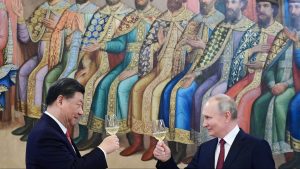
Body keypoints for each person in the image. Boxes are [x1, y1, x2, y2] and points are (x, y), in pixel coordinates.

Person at [122, 0, 194, 161]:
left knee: (153, 93)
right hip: (159, 68)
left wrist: (183, 50)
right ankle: (139, 141)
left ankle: (156, 142)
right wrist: (159, 45)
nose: (171, 1)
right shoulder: (162, 18)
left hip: (177, 70)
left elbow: (192, 49)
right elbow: (148, 45)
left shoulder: (190, 19)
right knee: (137, 89)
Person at [84, 0, 161, 151]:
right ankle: (97, 134)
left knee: (120, 88)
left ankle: (131, 135)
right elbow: (120, 44)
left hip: (148, 67)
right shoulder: (130, 17)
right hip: (126, 64)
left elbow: (161, 47)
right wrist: (102, 45)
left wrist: (137, 70)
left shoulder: (158, 17)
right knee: (103, 86)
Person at [154, 94, 275, 169]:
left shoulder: (257, 147)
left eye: (208, 117)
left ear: (227, 116)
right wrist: (166, 160)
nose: (203, 124)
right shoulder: (205, 149)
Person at [26, 78, 120, 169]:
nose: (81, 112)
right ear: (60, 101)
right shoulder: (46, 134)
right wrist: (103, 149)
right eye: (79, 105)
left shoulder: (52, 127)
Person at [11, 0, 71, 141]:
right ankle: (28, 122)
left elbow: (75, 35)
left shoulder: (68, 8)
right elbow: (25, 38)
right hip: (40, 57)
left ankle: (38, 125)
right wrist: (20, 18)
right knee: (23, 72)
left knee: (37, 77)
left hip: (56, 57)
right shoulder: (42, 8)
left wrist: (58, 28)